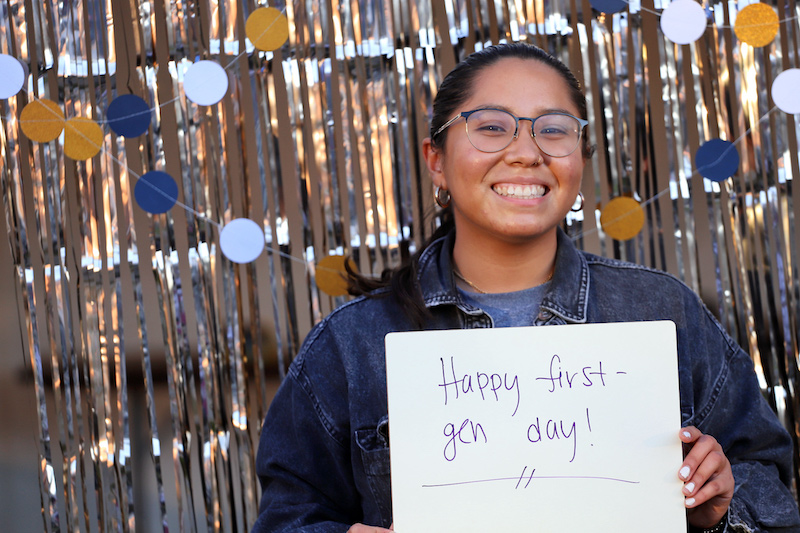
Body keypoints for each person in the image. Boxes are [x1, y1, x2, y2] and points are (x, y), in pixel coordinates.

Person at [252, 42, 800, 532]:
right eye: (492, 126)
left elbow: (769, 483)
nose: (526, 151)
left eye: (554, 128)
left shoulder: (661, 310)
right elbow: (288, 515)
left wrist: (722, 509)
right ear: (436, 161)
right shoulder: (352, 344)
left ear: (580, 160)